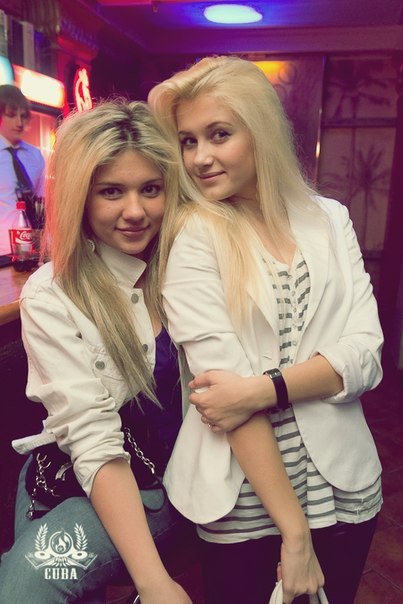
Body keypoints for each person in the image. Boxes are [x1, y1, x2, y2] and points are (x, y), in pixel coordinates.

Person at [148, 55, 384, 604]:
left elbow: (366, 355)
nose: (200, 157)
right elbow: (222, 397)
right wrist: (294, 532)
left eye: (219, 134)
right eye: (187, 141)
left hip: (344, 483)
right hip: (244, 497)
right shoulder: (193, 235)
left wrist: (262, 388)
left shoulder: (330, 218)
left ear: (262, 131)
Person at [0, 99, 194, 603]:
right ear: (80, 197)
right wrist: (155, 584)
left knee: (28, 578)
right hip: (64, 472)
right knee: (26, 582)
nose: (135, 211)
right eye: (111, 191)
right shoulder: (52, 292)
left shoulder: (192, 268)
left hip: (157, 480)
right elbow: (91, 439)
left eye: (150, 188)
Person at [0, 84, 45, 255]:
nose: (19, 123)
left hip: (30, 249)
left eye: (23, 116)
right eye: (11, 115)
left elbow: (42, 204)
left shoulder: (35, 156)